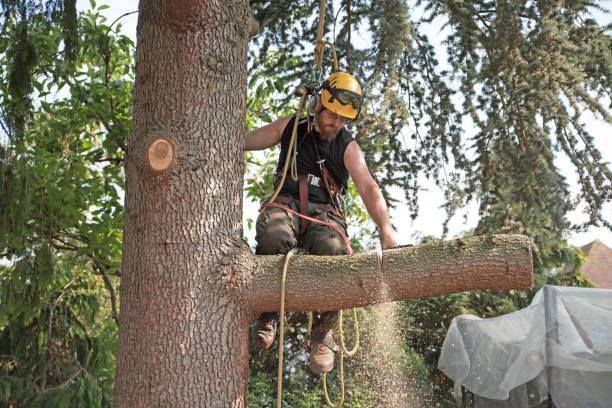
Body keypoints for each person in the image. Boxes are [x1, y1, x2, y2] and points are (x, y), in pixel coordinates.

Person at [244, 71, 397, 374]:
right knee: (272, 236)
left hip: (324, 215)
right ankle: (267, 315)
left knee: (334, 251)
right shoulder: (292, 127)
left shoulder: (347, 146)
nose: (336, 123)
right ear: (318, 104)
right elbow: (246, 141)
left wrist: (386, 230)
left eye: (343, 119)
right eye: (333, 115)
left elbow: (368, 187)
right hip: (285, 206)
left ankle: (323, 332)